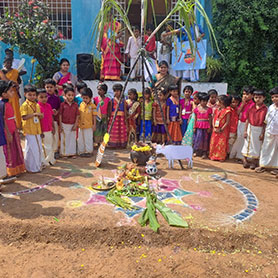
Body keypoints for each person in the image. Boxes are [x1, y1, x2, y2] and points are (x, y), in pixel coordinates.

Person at [162, 15, 205, 81]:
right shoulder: (186, 27)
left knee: (195, 62)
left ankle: (195, 79)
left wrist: (199, 37)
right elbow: (177, 31)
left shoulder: (197, 26)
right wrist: (167, 34)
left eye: (190, 19)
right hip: (188, 47)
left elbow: (203, 33)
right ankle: (186, 77)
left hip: (195, 46)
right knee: (187, 61)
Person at [0, 81, 25, 177]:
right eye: (10, 91)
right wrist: (8, 133)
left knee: (15, 148)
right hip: (8, 130)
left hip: (13, 128)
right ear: (4, 94)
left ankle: (17, 169)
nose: (13, 93)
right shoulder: (2, 105)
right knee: (9, 151)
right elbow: (3, 120)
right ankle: (10, 170)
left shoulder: (8, 103)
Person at [20, 84, 44, 173]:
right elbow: (24, 117)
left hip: (36, 129)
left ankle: (35, 165)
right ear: (25, 94)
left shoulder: (36, 105)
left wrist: (40, 115)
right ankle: (32, 167)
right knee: (32, 148)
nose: (32, 96)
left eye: (34, 95)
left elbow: (39, 116)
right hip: (29, 129)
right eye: (30, 95)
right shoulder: (25, 105)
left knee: (36, 148)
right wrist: (34, 115)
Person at [241, 90, 268, 169]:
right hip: (250, 127)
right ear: (253, 98)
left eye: (260, 98)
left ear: (264, 98)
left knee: (256, 145)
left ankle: (254, 161)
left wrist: (263, 133)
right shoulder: (251, 107)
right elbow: (247, 119)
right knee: (247, 144)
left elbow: (265, 122)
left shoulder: (265, 109)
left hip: (259, 129)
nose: (258, 99)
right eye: (256, 97)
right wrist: (245, 130)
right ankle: (245, 159)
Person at [255, 87, 278, 177]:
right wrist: (263, 132)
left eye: (276, 96)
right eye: (272, 97)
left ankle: (276, 168)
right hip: (269, 132)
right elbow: (266, 121)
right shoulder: (271, 107)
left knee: (276, 151)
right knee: (265, 149)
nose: (274, 99)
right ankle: (263, 165)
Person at [230, 86, 255, 160]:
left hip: (247, 123)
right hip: (240, 122)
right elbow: (237, 112)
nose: (245, 96)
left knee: (243, 139)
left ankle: (241, 156)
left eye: (247, 94)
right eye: (243, 94)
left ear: (252, 95)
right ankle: (235, 154)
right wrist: (243, 103)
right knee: (238, 138)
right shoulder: (242, 103)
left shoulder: (253, 105)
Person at [100, 16, 124, 80]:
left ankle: (115, 76)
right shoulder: (102, 24)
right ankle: (107, 75)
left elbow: (121, 33)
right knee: (107, 61)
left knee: (115, 61)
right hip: (106, 45)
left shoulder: (117, 24)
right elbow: (101, 36)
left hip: (114, 45)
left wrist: (115, 37)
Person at [59, 84, 80, 157]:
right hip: (64, 124)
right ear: (65, 95)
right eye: (69, 95)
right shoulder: (62, 105)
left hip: (72, 124)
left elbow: (77, 115)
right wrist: (61, 125)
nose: (71, 97)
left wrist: (75, 124)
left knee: (72, 139)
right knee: (65, 139)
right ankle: (64, 153)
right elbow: (60, 115)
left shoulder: (75, 105)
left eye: (72, 95)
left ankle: (72, 153)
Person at [209, 95, 232, 161]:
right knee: (214, 142)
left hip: (223, 130)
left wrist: (222, 129)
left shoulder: (227, 111)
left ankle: (221, 156)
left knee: (221, 143)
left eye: (217, 101)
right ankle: (213, 155)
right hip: (215, 129)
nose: (216, 102)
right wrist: (213, 126)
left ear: (221, 102)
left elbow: (227, 121)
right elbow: (213, 118)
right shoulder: (216, 110)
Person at [37, 89, 56, 166]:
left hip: (49, 128)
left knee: (51, 144)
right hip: (43, 129)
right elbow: (37, 120)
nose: (44, 99)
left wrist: (53, 126)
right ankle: (46, 160)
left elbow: (51, 116)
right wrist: (40, 131)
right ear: (37, 97)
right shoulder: (37, 107)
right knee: (45, 146)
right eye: (41, 97)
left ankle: (51, 159)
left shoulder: (48, 106)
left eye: (45, 97)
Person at [2, 57, 21, 128]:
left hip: (14, 93)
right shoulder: (1, 73)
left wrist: (16, 84)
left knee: (15, 108)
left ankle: (17, 124)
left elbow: (19, 81)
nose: (8, 64)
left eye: (10, 63)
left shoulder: (15, 72)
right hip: (5, 93)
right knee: (6, 109)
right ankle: (8, 125)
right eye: (7, 63)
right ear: (4, 63)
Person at [44, 79, 61, 159]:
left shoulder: (56, 98)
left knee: (55, 135)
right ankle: (47, 152)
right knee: (47, 136)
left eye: (51, 87)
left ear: (55, 88)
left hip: (54, 120)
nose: (49, 89)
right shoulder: (43, 97)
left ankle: (55, 151)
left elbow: (59, 108)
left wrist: (56, 112)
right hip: (46, 120)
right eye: (47, 87)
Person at [78, 88, 97, 156]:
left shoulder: (93, 106)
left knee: (88, 138)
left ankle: (88, 151)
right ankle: (81, 151)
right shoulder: (81, 104)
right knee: (81, 139)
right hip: (81, 125)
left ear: (90, 98)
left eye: (86, 98)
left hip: (89, 125)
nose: (85, 100)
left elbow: (94, 116)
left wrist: (94, 125)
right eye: (83, 98)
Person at [193, 92, 212, 158]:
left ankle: (204, 152)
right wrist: (194, 127)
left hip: (206, 125)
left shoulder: (209, 109)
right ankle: (197, 151)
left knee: (205, 139)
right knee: (198, 138)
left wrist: (209, 127)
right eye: (203, 101)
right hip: (198, 125)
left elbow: (210, 118)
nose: (204, 103)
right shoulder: (196, 109)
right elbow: (195, 118)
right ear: (200, 101)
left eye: (206, 101)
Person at [108, 83, 127, 148]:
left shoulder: (123, 101)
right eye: (115, 91)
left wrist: (125, 118)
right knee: (114, 131)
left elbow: (125, 110)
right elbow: (110, 111)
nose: (116, 92)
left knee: (121, 131)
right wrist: (109, 118)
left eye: (118, 91)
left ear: (121, 92)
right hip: (114, 118)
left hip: (121, 118)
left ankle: (121, 144)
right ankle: (113, 144)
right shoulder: (112, 101)